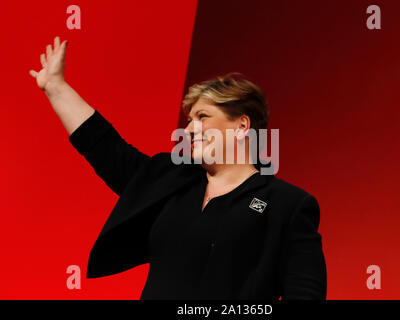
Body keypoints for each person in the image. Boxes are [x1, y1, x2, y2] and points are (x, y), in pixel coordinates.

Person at [29, 36, 327, 300]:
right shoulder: (170, 181)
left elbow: (306, 293)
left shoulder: (287, 205)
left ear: (241, 125)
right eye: (190, 121)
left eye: (202, 117)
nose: (191, 129)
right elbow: (107, 149)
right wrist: (56, 88)